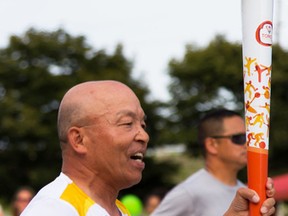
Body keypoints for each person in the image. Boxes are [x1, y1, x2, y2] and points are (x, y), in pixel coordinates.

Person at [20, 81, 275, 216]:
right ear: (79, 140)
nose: (143, 135)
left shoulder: (119, 209)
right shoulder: (54, 209)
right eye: (127, 123)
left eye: (142, 123)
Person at [151, 109, 273, 216]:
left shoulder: (246, 192)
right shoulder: (188, 193)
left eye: (249, 138)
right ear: (212, 145)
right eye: (239, 138)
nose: (248, 144)